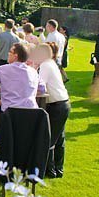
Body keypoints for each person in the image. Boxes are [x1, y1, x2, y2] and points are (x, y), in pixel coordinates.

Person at [31, 44, 70, 178]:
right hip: (63, 102)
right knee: (59, 139)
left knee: (49, 139)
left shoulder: (46, 66)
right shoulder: (51, 64)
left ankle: (49, 170)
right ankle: (58, 170)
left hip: (56, 105)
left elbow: (39, 85)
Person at [0, 43, 45, 111]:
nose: (8, 53)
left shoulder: (2, 70)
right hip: (32, 114)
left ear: (15, 56)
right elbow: (42, 89)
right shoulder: (33, 72)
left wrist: (2, 90)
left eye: (10, 52)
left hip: (10, 114)